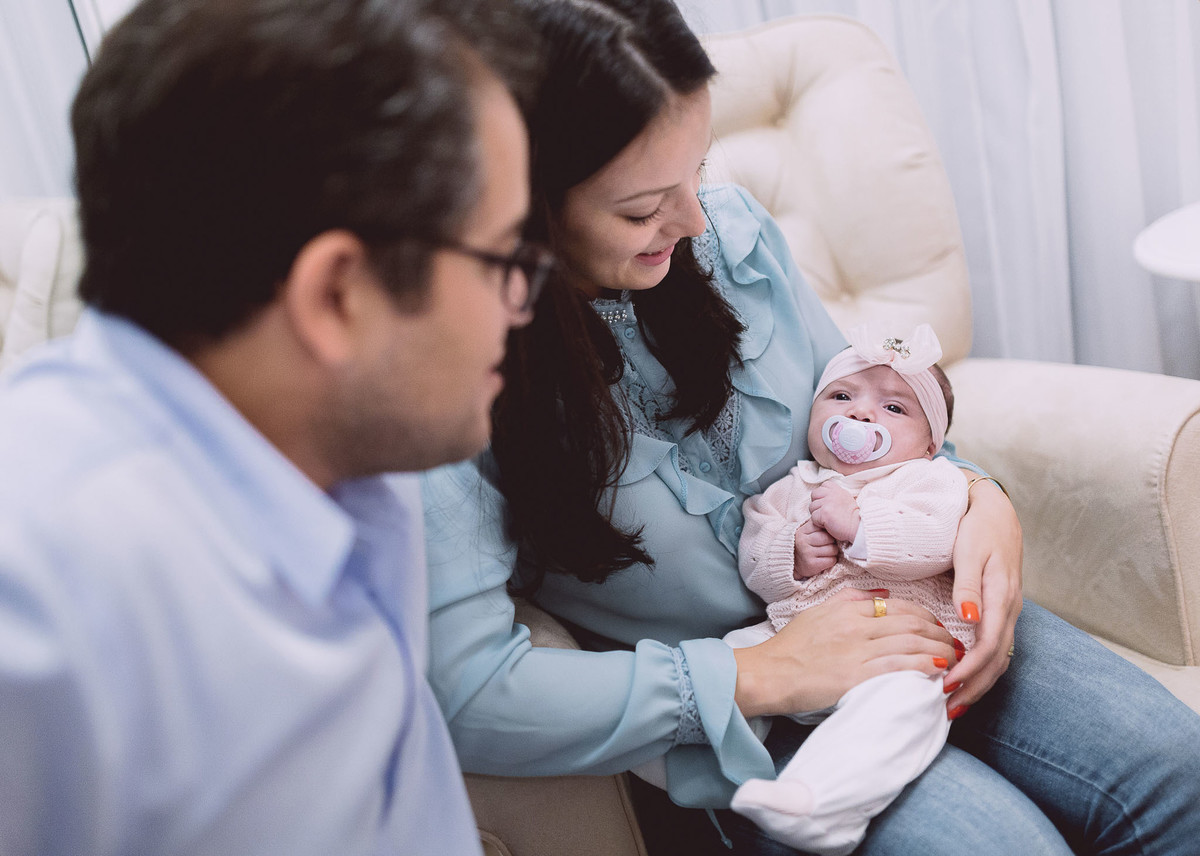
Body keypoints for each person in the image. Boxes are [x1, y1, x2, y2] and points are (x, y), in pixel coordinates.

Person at [422, 0, 1200, 853]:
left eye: (697, 170)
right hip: (752, 704)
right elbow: (467, 690)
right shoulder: (456, 375)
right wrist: (765, 671)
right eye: (643, 208)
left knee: (1178, 772)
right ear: (518, 207)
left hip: (915, 602)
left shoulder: (732, 239)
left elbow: (875, 417)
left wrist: (982, 499)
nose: (691, 221)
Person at [0, 0, 548, 853]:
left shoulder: (344, 432)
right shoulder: (38, 604)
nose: (519, 308)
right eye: (503, 260)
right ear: (337, 296)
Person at [725, 323, 974, 854]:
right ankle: (678, 746)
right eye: (842, 396)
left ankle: (824, 804)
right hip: (789, 645)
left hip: (899, 649)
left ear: (931, 444)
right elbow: (754, 557)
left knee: (903, 707)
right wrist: (789, 554)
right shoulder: (788, 488)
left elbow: (936, 540)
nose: (861, 414)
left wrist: (861, 523)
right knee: (723, 657)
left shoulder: (928, 480)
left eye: (895, 408)